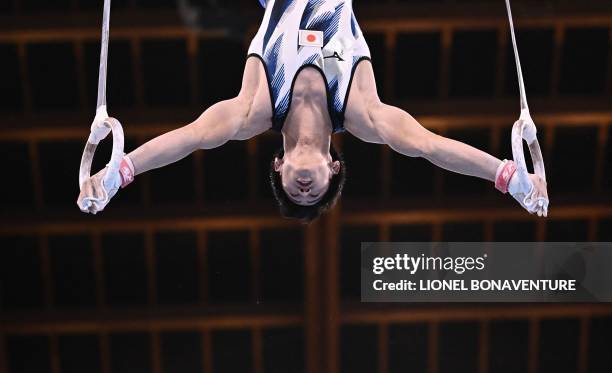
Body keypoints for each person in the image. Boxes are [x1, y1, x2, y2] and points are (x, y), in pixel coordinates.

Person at [78, 0, 548, 222]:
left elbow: (191, 136)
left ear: (278, 167)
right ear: (333, 168)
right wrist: (507, 177)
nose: (304, 189)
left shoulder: (255, 111)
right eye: (315, 192)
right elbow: (430, 146)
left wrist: (120, 173)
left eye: (294, 192)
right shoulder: (363, 114)